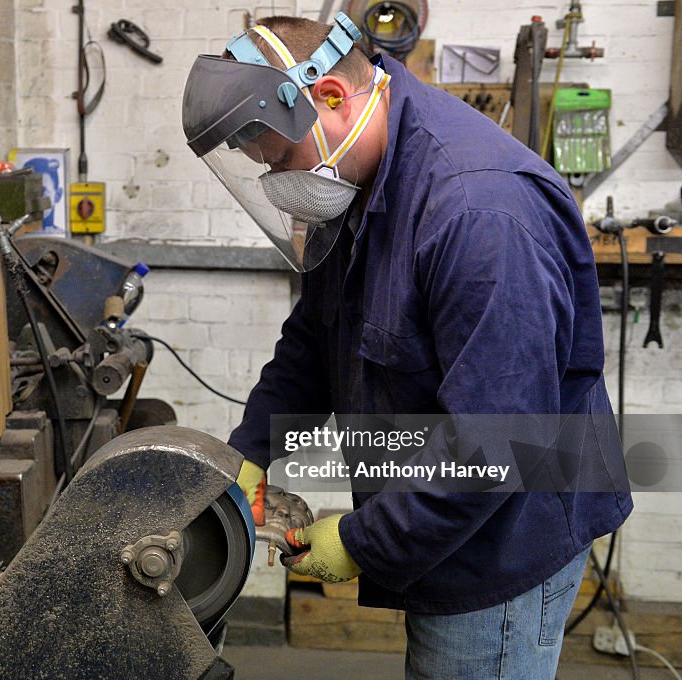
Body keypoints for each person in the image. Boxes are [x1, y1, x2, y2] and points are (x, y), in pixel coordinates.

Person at [182, 12, 633, 679]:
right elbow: (315, 335)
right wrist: (247, 454)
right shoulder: (358, 179)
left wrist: (363, 542)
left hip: (502, 540)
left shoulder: (477, 211)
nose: (278, 180)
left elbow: (500, 439)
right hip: (449, 514)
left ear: (331, 97)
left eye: (280, 159)